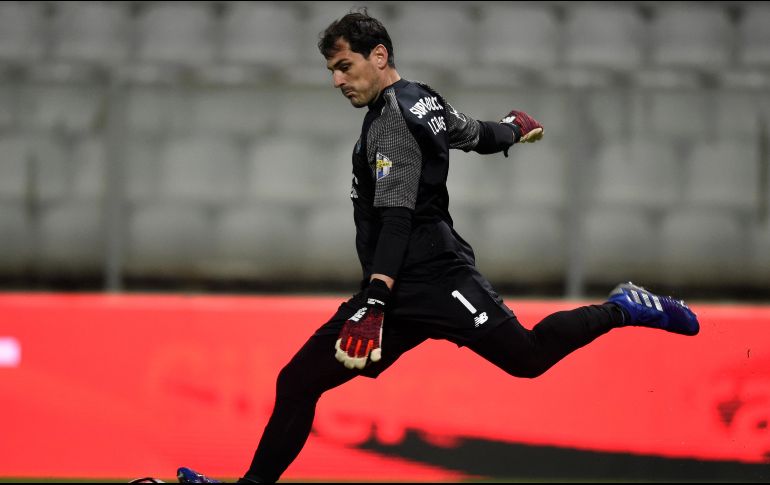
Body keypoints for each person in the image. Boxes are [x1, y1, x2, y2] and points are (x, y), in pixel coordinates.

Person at [177, 8, 699, 484]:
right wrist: (514, 129)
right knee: (296, 381)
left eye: (344, 65)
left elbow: (397, 219)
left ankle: (622, 308)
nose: (337, 80)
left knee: (528, 358)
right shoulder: (421, 98)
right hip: (397, 287)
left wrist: (375, 302)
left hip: (434, 277)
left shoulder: (391, 123)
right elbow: (474, 133)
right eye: (331, 71)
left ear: (379, 55)